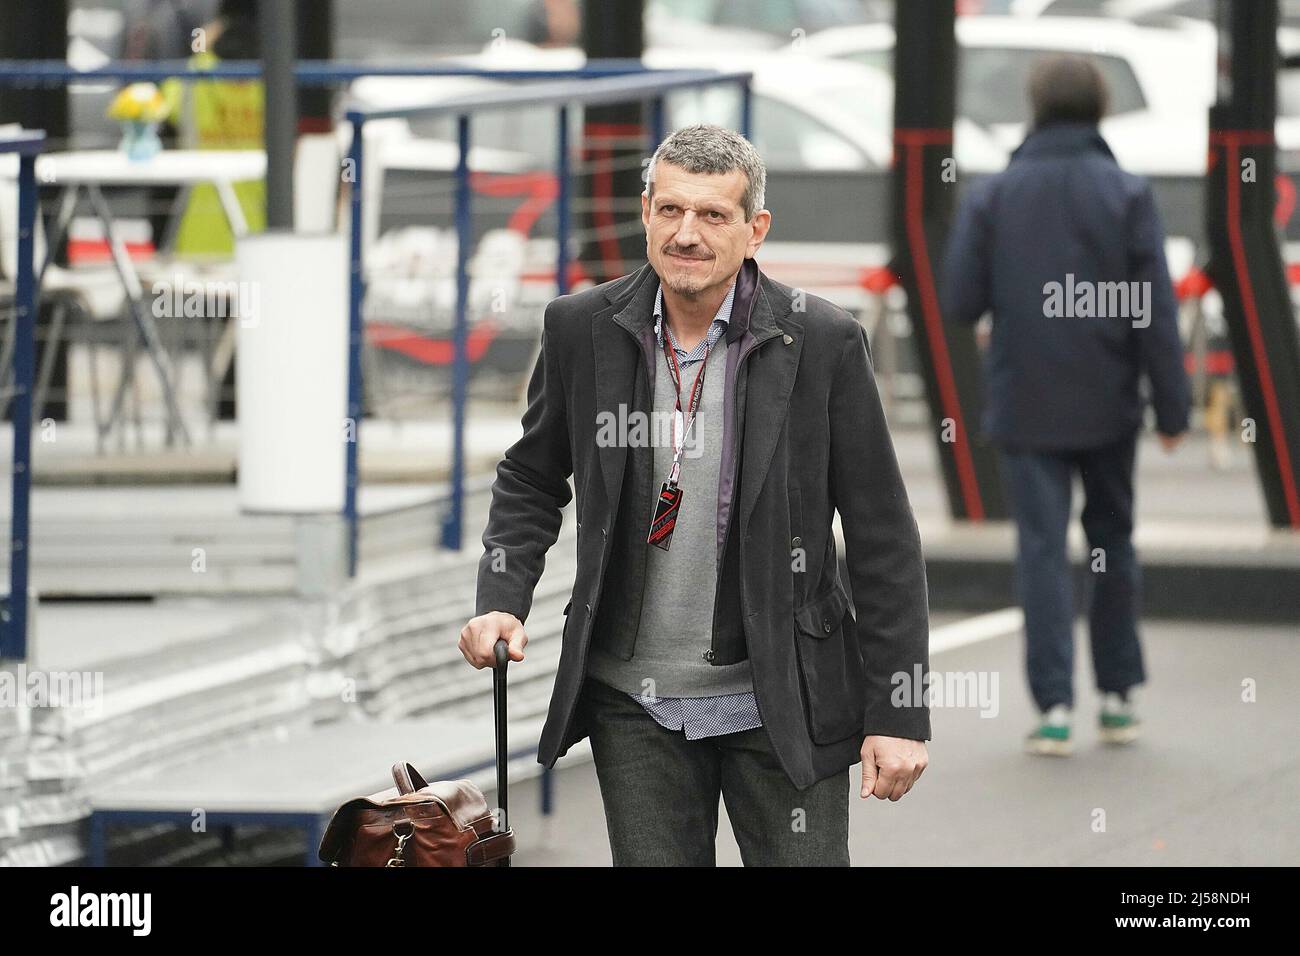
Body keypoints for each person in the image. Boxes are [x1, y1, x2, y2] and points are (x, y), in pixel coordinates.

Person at [459, 124, 931, 866]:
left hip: (782, 702)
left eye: (713, 215)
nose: (688, 233)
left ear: (755, 230)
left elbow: (883, 537)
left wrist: (899, 710)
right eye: (672, 210)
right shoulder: (581, 329)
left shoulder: (823, 341)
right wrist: (500, 596)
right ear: (645, 211)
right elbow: (531, 475)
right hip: (634, 706)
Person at [942, 54, 1191, 757]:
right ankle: (1118, 695)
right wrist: (1172, 410)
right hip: (1110, 405)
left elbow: (960, 299)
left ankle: (1053, 707)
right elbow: (1157, 314)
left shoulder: (996, 195)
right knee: (1113, 544)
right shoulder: (1128, 193)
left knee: (1043, 553)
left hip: (1027, 404)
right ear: (1101, 110)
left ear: (1036, 106)